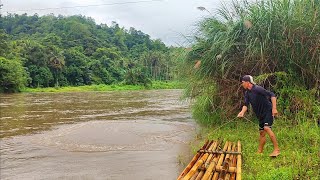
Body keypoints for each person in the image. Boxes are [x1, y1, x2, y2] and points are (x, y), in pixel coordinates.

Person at [237, 75, 280, 157]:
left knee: (267, 128)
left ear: (248, 82)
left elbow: (272, 95)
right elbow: (246, 105)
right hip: (260, 115)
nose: (242, 84)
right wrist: (242, 112)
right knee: (262, 133)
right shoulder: (247, 93)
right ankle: (259, 151)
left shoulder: (257, 89)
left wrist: (274, 108)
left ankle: (277, 150)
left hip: (267, 111)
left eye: (243, 82)